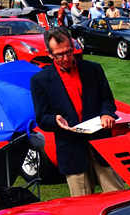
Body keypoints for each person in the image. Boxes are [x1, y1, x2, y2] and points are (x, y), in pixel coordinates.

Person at [30, 27, 123, 197]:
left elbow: (107, 100)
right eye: (60, 54)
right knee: (83, 205)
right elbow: (42, 117)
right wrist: (55, 119)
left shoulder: (93, 69)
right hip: (71, 149)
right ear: (49, 54)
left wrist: (107, 114)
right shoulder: (40, 80)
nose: (66, 58)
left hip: (100, 144)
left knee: (119, 197)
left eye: (69, 52)